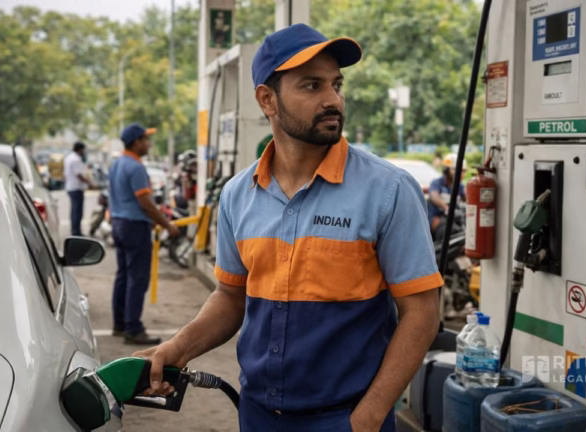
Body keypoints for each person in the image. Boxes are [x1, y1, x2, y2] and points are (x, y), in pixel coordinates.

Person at [134, 24, 441, 432]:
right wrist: (177, 348)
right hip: (258, 415)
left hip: (347, 419)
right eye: (312, 86)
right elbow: (230, 297)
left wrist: (368, 417)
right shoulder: (238, 195)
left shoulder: (388, 190)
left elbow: (422, 311)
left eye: (336, 84)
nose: (333, 100)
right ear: (268, 100)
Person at [109, 124, 180, 345]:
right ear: (136, 142)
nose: (148, 144)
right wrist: (167, 225)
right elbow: (145, 203)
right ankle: (133, 328)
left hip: (119, 224)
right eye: (145, 140)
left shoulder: (116, 164)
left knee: (123, 276)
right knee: (137, 279)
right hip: (134, 227)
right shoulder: (136, 167)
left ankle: (120, 324)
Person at [427, 159, 466, 233]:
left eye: (464, 171)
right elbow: (434, 197)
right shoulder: (437, 183)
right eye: (457, 170)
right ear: (446, 170)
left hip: (454, 218)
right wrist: (446, 208)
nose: (461, 173)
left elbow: (467, 198)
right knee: (446, 231)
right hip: (437, 216)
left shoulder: (460, 186)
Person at [64, 142, 95, 236]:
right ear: (79, 149)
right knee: (77, 211)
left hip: (71, 187)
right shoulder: (76, 159)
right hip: (76, 188)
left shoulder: (69, 158)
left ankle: (75, 230)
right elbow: (79, 175)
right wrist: (90, 183)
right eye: (83, 149)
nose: (84, 152)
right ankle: (76, 232)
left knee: (74, 211)